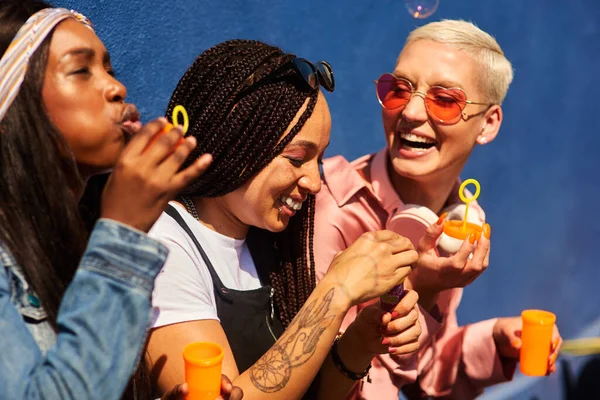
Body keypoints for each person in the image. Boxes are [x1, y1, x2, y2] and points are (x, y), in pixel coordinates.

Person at [144, 39, 423, 399]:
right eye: (296, 157)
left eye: (318, 160)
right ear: (236, 140)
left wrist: (358, 342)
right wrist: (335, 292)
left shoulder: (267, 239)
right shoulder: (164, 245)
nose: (314, 182)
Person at [313, 19, 562, 399]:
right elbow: (338, 387)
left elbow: (424, 377)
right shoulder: (334, 210)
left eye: (444, 100)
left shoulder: (458, 217)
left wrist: (496, 339)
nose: (410, 112)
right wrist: (420, 289)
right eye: (399, 89)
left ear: (488, 123)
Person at [0, 1, 229, 399]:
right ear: (14, 106)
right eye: (80, 70)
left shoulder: (74, 237)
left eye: (109, 69)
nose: (116, 87)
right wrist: (123, 234)